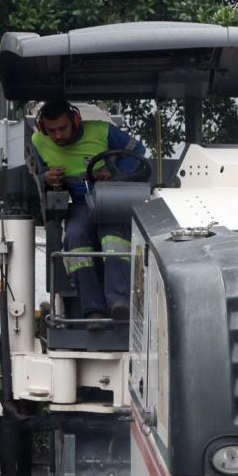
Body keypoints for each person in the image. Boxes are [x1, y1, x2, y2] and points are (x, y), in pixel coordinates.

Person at [30, 100, 146, 327]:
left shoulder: (102, 131)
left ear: (74, 121)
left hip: (109, 200)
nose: (58, 136)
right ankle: (93, 311)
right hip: (80, 205)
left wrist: (116, 173)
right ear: (43, 129)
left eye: (62, 128)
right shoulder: (38, 142)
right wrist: (47, 178)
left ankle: (119, 302)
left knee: (114, 239)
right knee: (75, 239)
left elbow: (137, 151)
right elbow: (38, 173)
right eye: (51, 131)